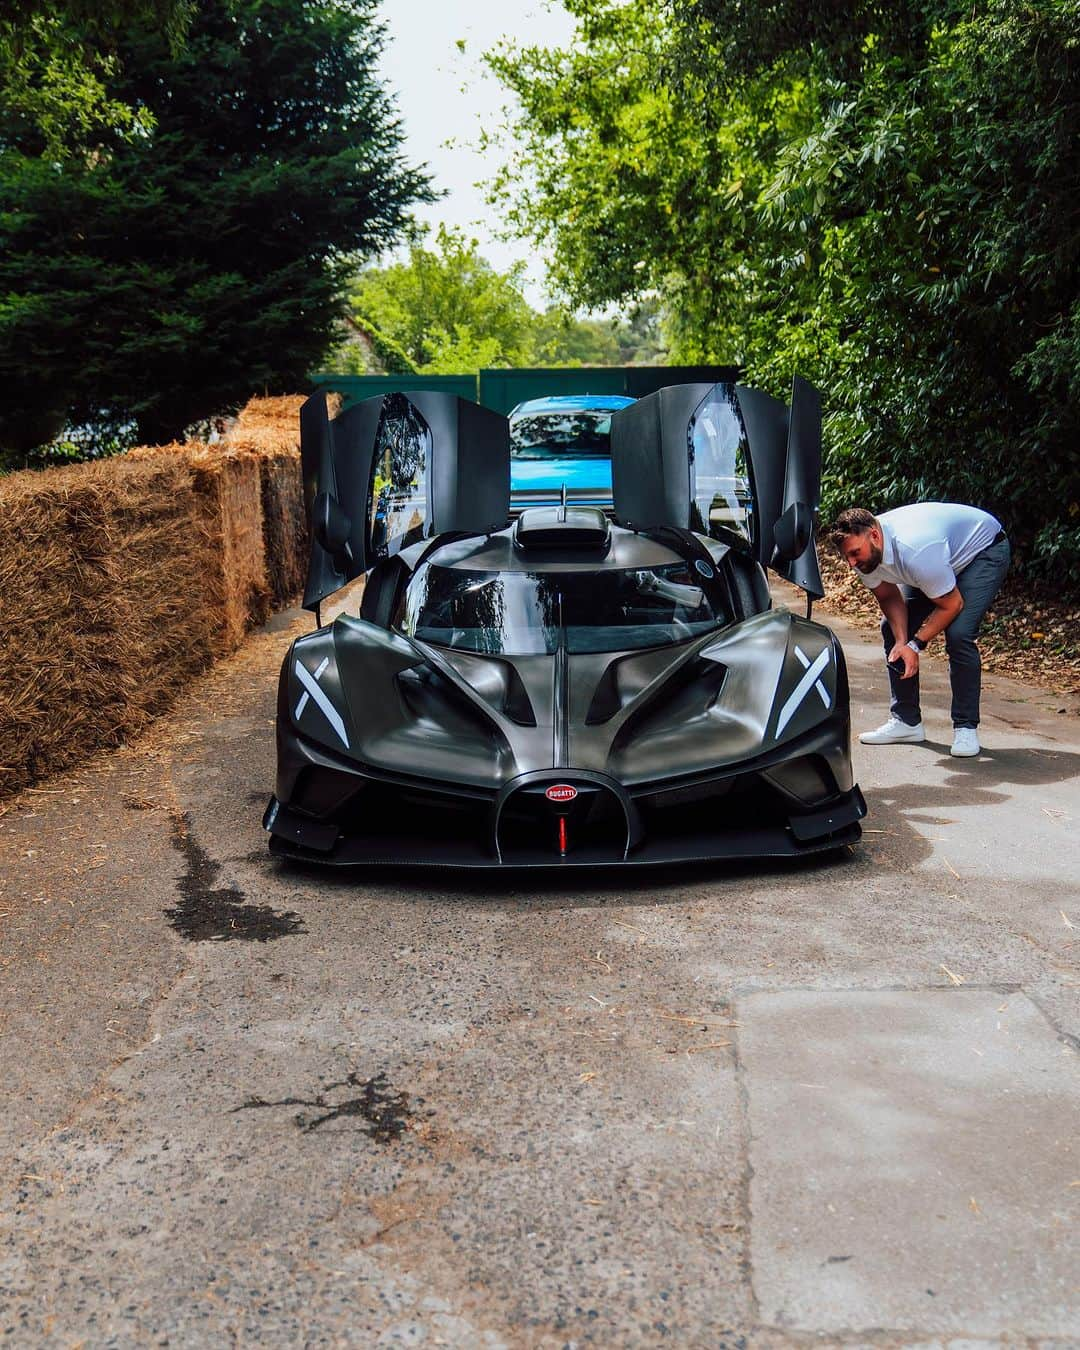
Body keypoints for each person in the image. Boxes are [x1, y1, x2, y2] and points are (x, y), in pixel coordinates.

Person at [827, 503, 1010, 758]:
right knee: (890, 629)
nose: (852, 563)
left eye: (855, 554)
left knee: (958, 634)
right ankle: (906, 721)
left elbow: (952, 604)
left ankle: (965, 727)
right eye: (847, 556)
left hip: (982, 551)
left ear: (875, 536)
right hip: (937, 563)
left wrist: (915, 645)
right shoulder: (863, 552)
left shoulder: (916, 549)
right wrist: (902, 641)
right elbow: (889, 597)